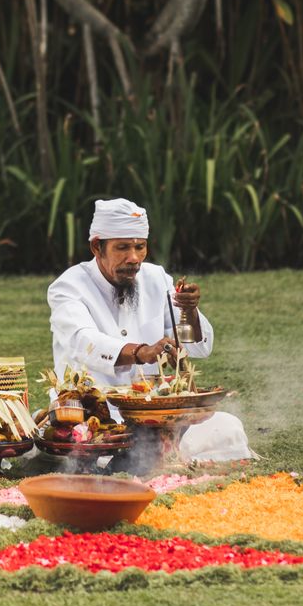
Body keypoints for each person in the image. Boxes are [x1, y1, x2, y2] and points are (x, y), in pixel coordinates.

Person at [47, 197, 254, 463]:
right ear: (97, 247)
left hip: (153, 416)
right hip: (91, 415)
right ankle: (151, 455)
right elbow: (82, 341)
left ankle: (153, 453)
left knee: (228, 427)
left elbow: (197, 347)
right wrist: (141, 352)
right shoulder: (69, 286)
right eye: (122, 247)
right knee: (86, 445)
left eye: (140, 247)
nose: (134, 258)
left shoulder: (156, 278)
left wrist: (189, 312)